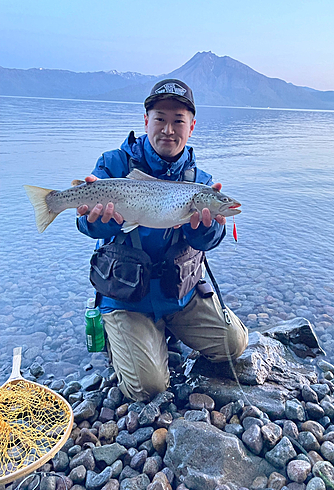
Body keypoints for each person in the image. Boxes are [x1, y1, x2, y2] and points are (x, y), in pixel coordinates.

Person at [77, 79, 248, 402]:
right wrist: (92, 220)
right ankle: (122, 337)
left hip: (178, 294)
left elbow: (209, 241)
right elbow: (88, 228)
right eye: (160, 119)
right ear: (146, 121)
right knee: (150, 388)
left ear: (191, 127)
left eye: (178, 121)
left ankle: (164, 331)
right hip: (126, 296)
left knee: (234, 344)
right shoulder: (114, 164)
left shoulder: (201, 183)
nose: (168, 130)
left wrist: (204, 229)